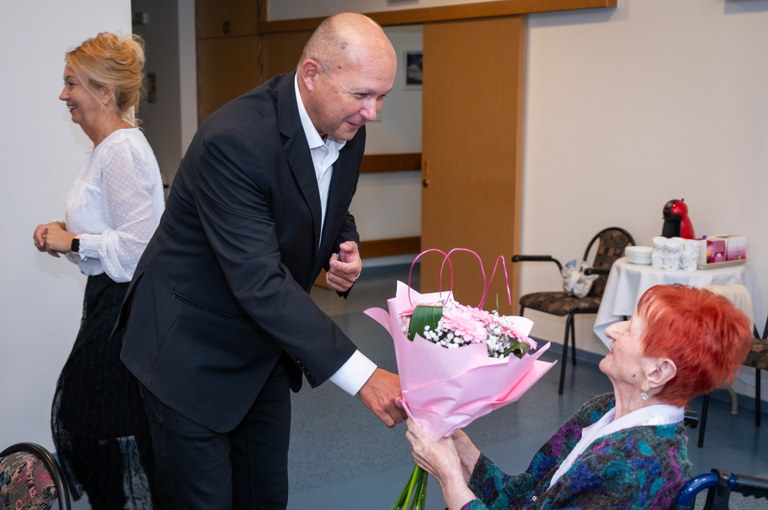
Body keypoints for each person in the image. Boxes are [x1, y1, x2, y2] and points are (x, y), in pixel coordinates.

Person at [116, 12, 406, 510]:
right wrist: (364, 375)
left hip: (263, 350)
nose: (373, 113)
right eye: (362, 95)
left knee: (265, 496)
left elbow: (325, 201)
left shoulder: (346, 126)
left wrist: (345, 245)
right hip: (189, 354)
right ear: (312, 74)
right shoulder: (234, 141)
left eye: (382, 97)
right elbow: (259, 281)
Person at [406, 284, 753, 509]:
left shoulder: (639, 468)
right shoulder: (601, 410)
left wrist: (449, 476)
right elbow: (528, 494)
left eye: (630, 328)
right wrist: (463, 450)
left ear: (657, 372)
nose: (613, 330)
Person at [32, 32, 165, 508]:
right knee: (105, 420)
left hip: (124, 308)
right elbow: (109, 232)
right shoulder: (104, 150)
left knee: (86, 417)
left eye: (72, 84)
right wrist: (64, 237)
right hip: (105, 299)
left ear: (105, 93)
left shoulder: (123, 150)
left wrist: (74, 240)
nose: (63, 95)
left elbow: (140, 247)